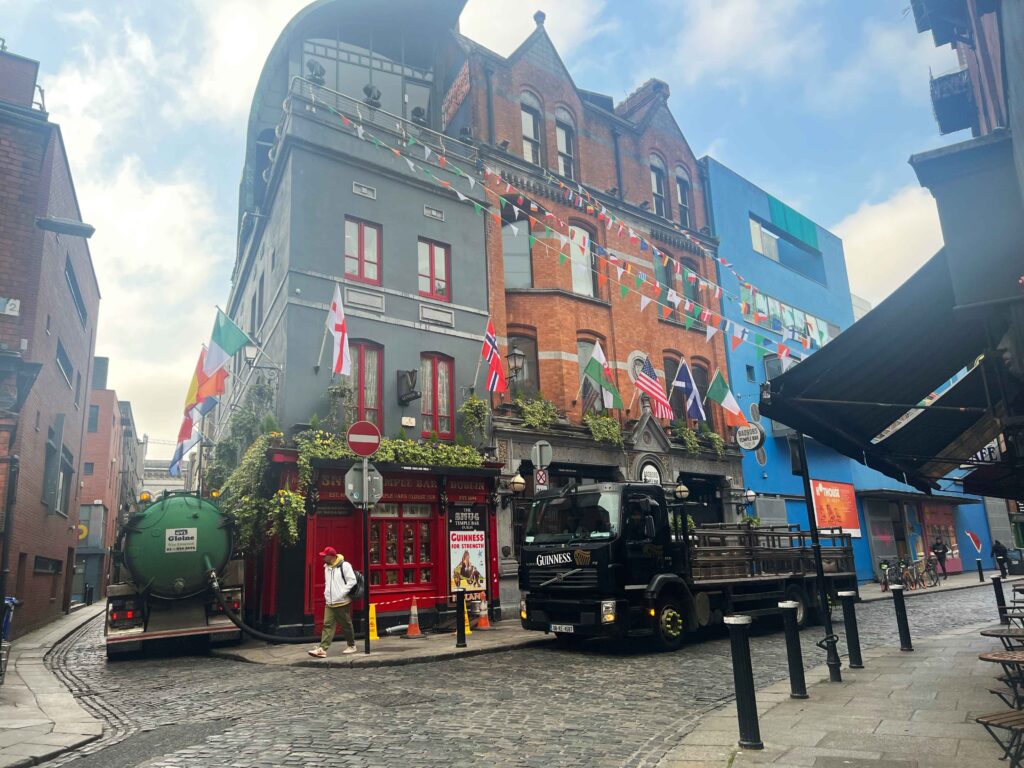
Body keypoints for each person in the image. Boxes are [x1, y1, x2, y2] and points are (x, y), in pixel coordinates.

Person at [308, 546, 357, 658]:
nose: (323, 557)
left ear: (331, 556)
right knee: (327, 625)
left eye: (325, 556)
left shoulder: (345, 566)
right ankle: (322, 649)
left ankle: (352, 645)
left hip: (342, 602)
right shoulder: (327, 567)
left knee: (346, 625)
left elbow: (352, 580)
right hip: (330, 602)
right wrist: (327, 594)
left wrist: (341, 593)